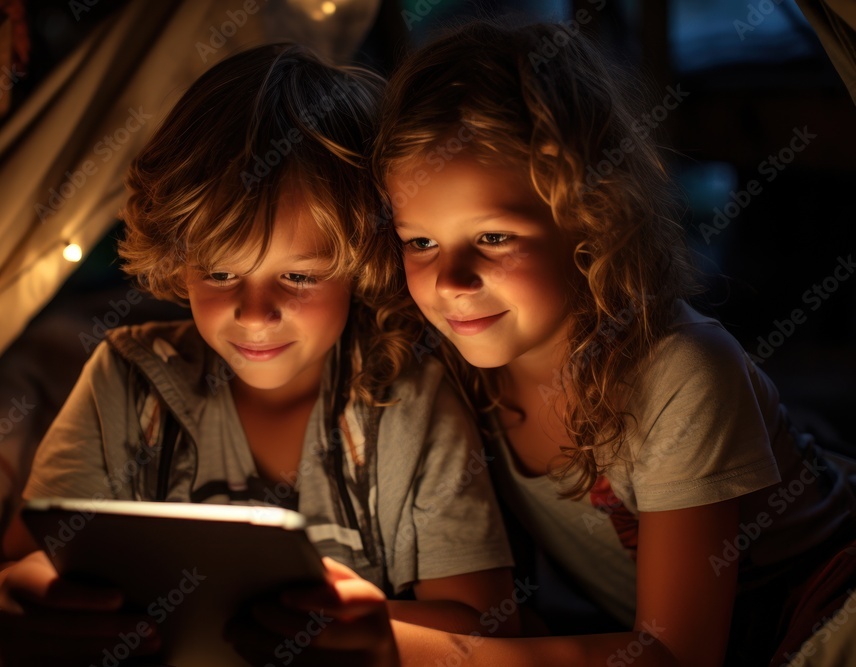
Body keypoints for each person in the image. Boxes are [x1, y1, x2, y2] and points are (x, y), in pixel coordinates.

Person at [228, 20, 856, 667]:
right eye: (420, 241)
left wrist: (399, 643)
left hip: (828, 607)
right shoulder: (452, 366)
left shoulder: (681, 372)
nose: (451, 279)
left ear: (590, 216)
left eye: (495, 236)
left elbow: (676, 653)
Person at [0, 43, 518, 667]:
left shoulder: (406, 399)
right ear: (179, 262)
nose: (256, 314)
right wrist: (11, 604)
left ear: (362, 264)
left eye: (299, 277)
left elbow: (485, 627)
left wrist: (367, 637)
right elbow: (18, 567)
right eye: (221, 273)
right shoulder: (127, 380)